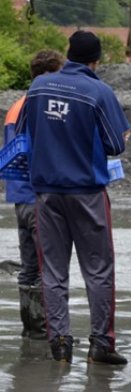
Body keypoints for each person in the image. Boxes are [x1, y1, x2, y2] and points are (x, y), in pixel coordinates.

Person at [16, 31, 130, 364]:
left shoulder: (38, 87)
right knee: (98, 270)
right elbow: (115, 144)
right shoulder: (99, 91)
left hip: (47, 193)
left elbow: (26, 131)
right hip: (87, 192)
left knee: (52, 270)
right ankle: (100, 345)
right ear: (96, 60)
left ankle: (61, 345)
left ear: (68, 53)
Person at [3, 49, 65, 340]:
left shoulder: (17, 106)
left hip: (19, 197)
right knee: (46, 268)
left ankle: (31, 330)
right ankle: (45, 331)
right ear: (51, 74)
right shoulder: (42, 105)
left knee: (29, 268)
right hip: (40, 196)